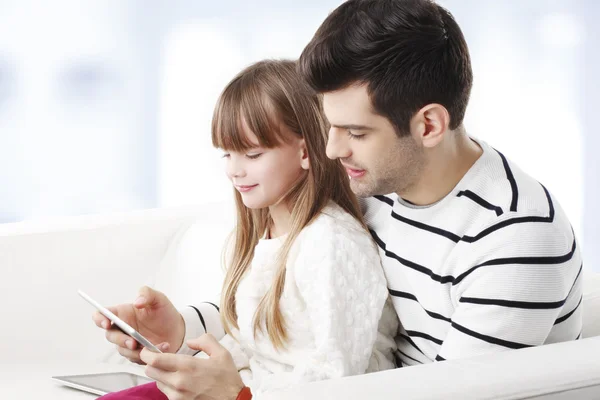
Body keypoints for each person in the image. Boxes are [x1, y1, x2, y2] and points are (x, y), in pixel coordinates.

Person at [98, 0, 583, 398]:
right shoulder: (377, 186)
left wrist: (239, 396)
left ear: (429, 125)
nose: (330, 150)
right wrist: (179, 327)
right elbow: (285, 308)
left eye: (355, 132)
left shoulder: (514, 237)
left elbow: (448, 395)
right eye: (328, 124)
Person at [94, 59, 397, 399]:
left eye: (252, 154)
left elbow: (336, 378)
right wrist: (183, 351)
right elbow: (257, 348)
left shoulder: (330, 244)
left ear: (305, 152)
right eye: (228, 155)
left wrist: (236, 391)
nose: (234, 171)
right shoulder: (267, 232)